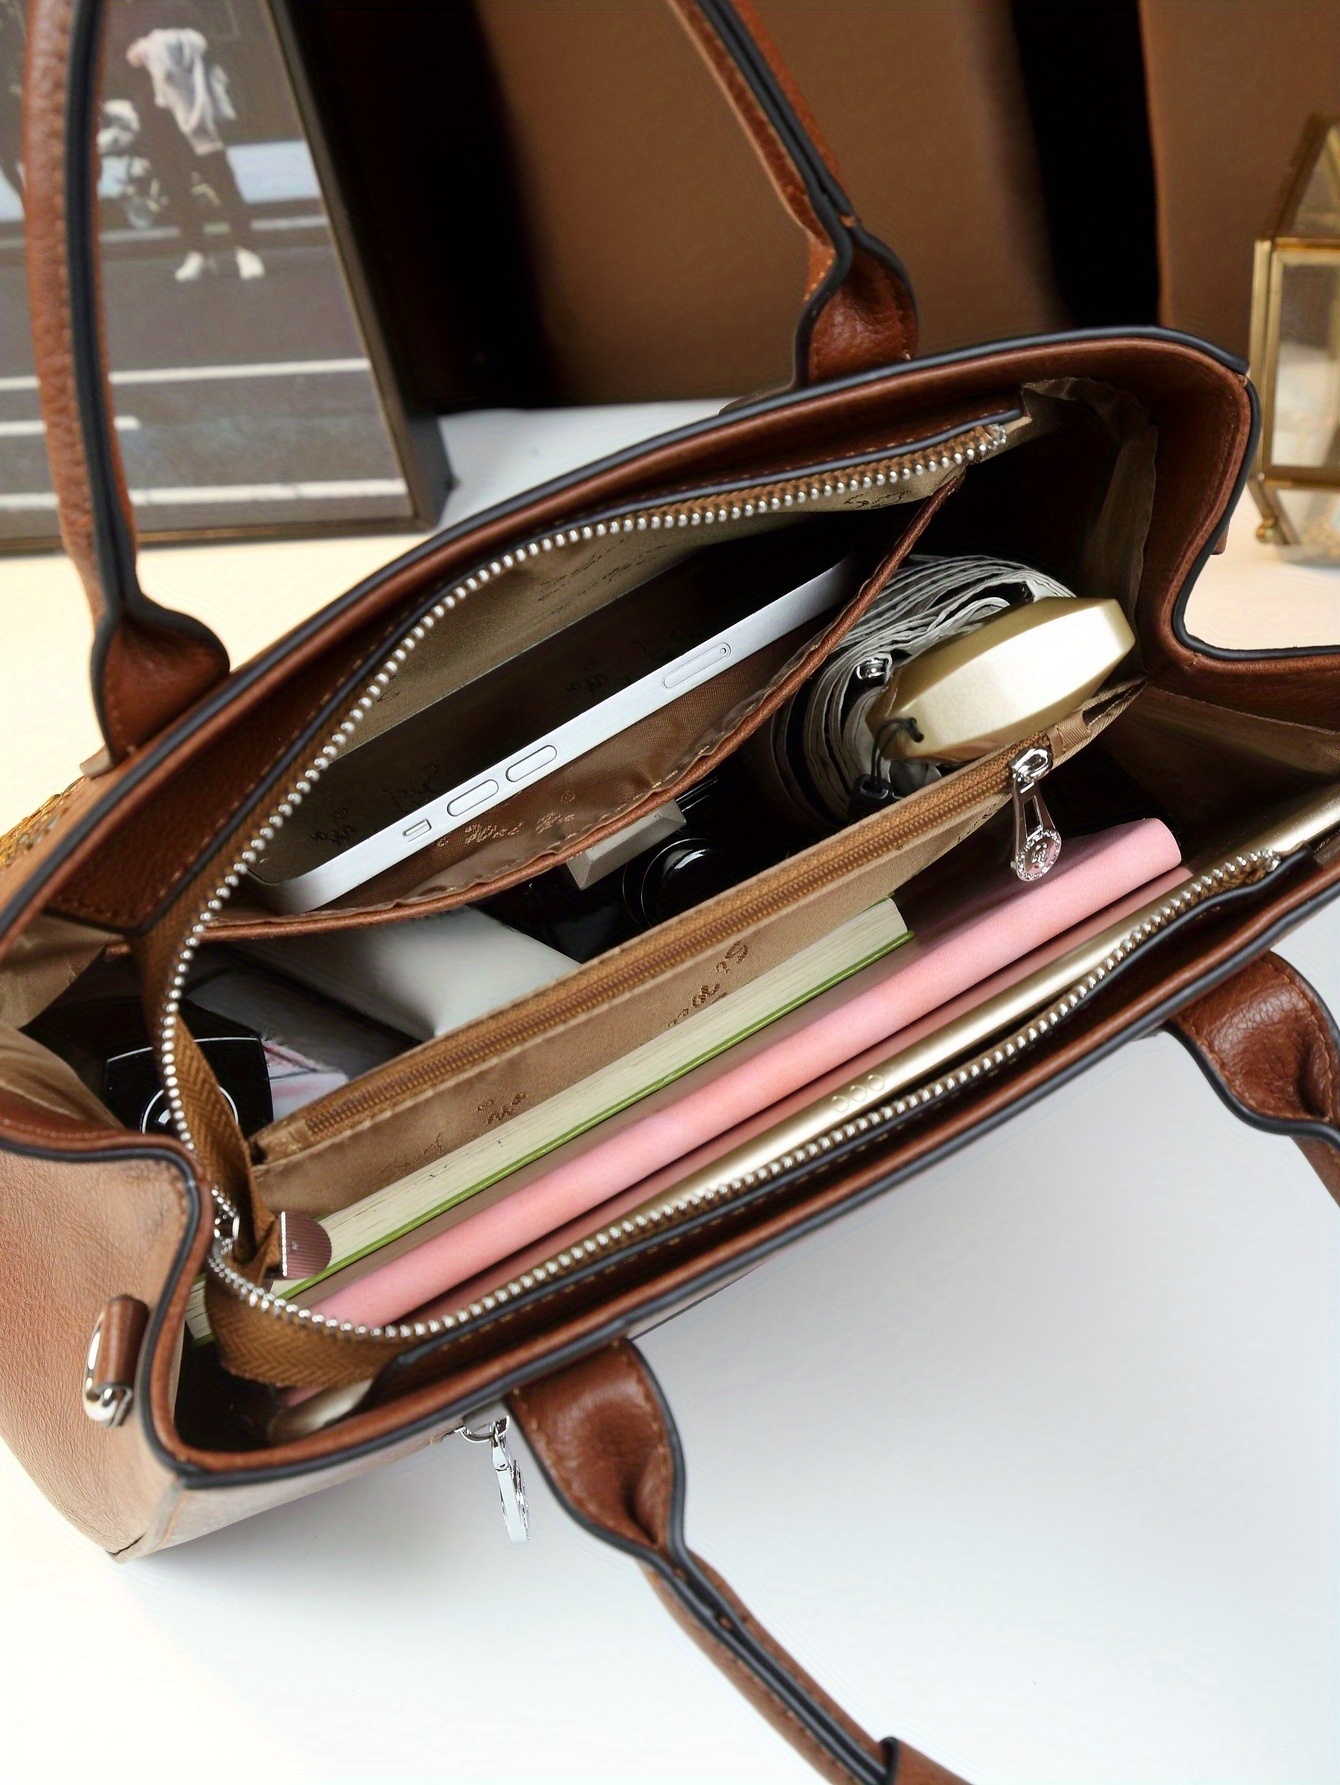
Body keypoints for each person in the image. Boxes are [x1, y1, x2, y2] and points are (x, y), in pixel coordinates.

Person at [122, 14, 263, 282]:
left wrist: (166, 45)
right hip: (153, 113)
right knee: (174, 186)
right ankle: (197, 251)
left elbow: (208, 44)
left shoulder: (176, 6)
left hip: (193, 106)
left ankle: (246, 248)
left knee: (220, 178)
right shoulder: (114, 18)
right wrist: (132, 57)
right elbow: (115, 68)